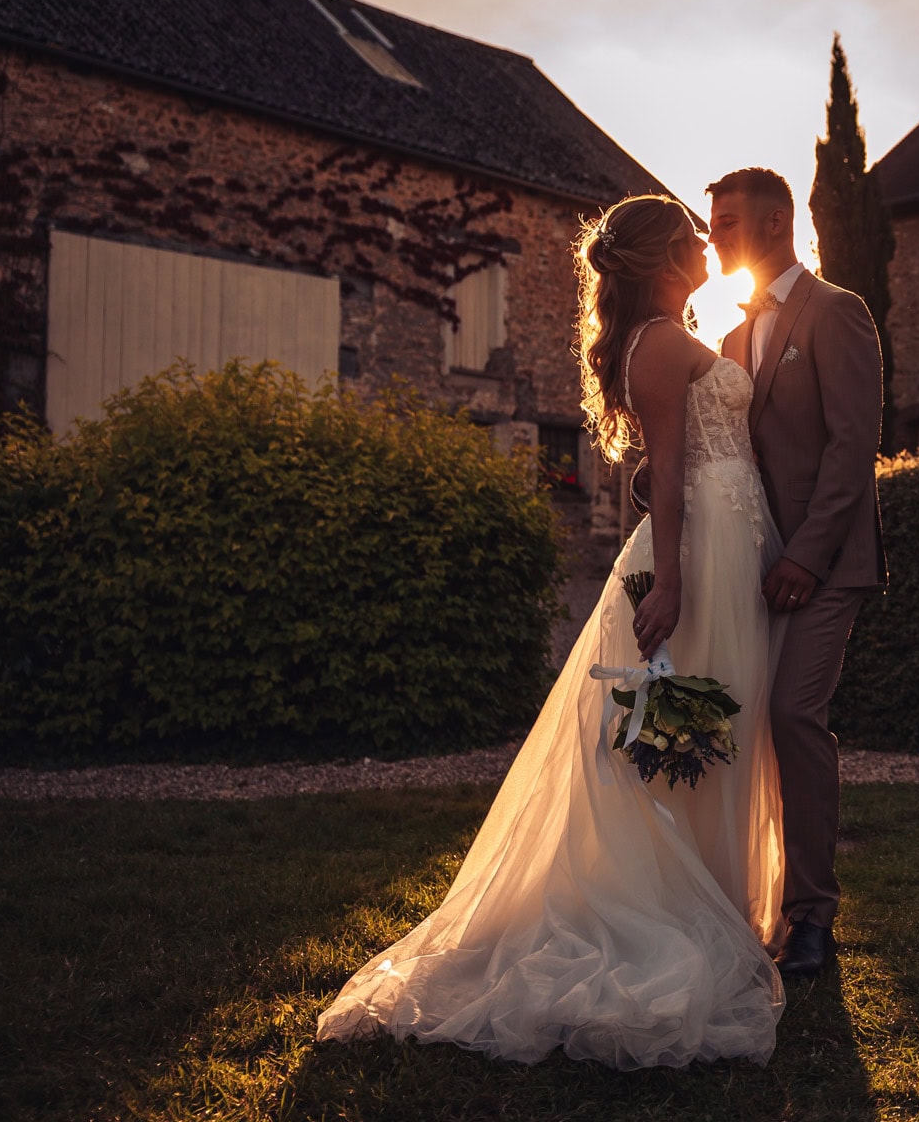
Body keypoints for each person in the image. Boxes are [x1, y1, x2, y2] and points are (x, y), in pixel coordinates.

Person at [317, 194, 788, 1069]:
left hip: (729, 535)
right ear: (662, 258)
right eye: (690, 235)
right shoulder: (658, 343)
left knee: (717, 719)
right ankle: (682, 910)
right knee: (695, 721)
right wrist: (673, 580)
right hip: (701, 551)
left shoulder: (669, 336)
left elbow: (676, 458)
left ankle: (722, 899)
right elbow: (670, 471)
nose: (704, 244)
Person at [711, 168, 885, 981]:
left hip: (827, 560)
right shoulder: (730, 338)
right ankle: (745, 898)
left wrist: (805, 557)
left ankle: (813, 914)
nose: (714, 236)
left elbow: (853, 448)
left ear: (777, 222)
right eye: (712, 223)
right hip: (752, 561)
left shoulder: (837, 311)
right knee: (744, 721)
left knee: (792, 713)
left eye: (727, 222)